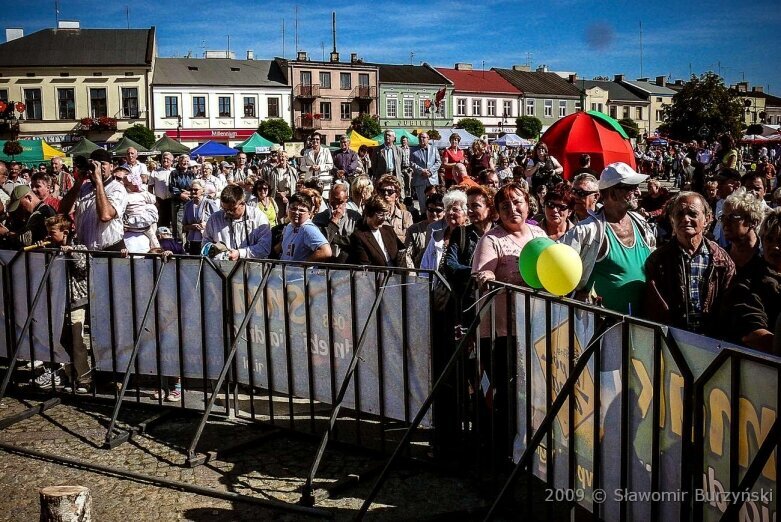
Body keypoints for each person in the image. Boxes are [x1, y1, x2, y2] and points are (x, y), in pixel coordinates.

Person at [559, 162, 655, 314]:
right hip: (607, 328)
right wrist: (576, 294)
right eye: (631, 187)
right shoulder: (586, 231)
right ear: (612, 193)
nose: (638, 192)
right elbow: (557, 264)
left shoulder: (641, 223)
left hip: (645, 323)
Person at [643, 192, 734, 336]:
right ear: (672, 220)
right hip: (671, 342)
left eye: (692, 214)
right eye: (679, 214)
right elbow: (654, 310)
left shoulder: (722, 260)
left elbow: (728, 308)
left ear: (707, 219)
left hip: (712, 345)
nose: (685, 219)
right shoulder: (657, 261)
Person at [32, 215, 91, 392]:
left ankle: (84, 379)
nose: (49, 236)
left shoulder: (78, 245)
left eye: (52, 233)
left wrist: (70, 252)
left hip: (75, 299)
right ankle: (68, 374)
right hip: (58, 299)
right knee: (61, 338)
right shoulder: (52, 248)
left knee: (77, 339)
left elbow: (83, 266)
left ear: (64, 232)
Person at [722, 208, 781, 353]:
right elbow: (752, 334)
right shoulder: (749, 280)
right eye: (769, 239)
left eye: (780, 240)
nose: (775, 246)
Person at [59, 149, 128, 252]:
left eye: (102, 164)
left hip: (110, 251)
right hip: (86, 251)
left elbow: (105, 215)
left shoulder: (117, 188)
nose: (99, 168)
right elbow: (63, 210)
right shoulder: (84, 187)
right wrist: (79, 181)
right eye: (95, 165)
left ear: (112, 167)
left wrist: (98, 180)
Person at [203, 184, 271, 260]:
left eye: (232, 209)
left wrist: (240, 253)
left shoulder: (259, 217)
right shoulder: (214, 219)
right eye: (224, 209)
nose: (228, 212)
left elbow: (264, 248)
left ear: (243, 203)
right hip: (221, 268)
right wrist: (216, 252)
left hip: (251, 269)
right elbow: (205, 244)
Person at [348, 195, 407, 267]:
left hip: (397, 275)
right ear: (369, 213)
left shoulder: (389, 230)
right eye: (381, 215)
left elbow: (402, 251)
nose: (384, 218)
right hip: (376, 276)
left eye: (386, 214)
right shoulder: (359, 236)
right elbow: (365, 266)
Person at [420, 189, 468, 271]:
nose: (450, 212)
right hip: (436, 283)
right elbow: (425, 266)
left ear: (466, 213)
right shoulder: (437, 236)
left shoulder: (470, 237)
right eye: (448, 209)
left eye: (455, 209)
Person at [312, 184, 360, 263]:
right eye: (333, 202)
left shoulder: (354, 218)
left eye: (340, 202)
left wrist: (334, 238)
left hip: (348, 265)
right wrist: (335, 220)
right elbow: (320, 242)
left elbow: (356, 242)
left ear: (346, 199)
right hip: (325, 265)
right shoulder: (319, 218)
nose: (336, 206)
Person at [721, 188, 765, 274]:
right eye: (723, 218)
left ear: (753, 222)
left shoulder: (766, 255)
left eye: (732, 217)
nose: (725, 223)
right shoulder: (720, 257)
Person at [280, 192, 332, 262]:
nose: (296, 213)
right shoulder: (289, 226)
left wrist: (303, 266)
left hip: (300, 272)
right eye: (293, 208)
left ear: (309, 213)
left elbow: (326, 251)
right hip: (285, 271)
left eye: (302, 210)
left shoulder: (308, 228)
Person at [121, 168, 159, 253]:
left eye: (127, 185)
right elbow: (153, 200)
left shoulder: (126, 196)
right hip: (140, 222)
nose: (125, 187)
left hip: (133, 223)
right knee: (152, 236)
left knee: (151, 232)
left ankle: (156, 248)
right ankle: (157, 248)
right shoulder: (143, 194)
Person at [405, 193, 445, 268]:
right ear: (426, 210)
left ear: (444, 212)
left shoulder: (449, 229)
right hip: (420, 272)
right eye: (431, 210)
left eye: (438, 210)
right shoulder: (414, 230)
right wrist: (413, 277)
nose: (434, 213)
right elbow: (407, 257)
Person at [182, 179, 219, 255]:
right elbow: (184, 226)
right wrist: (192, 226)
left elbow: (218, 221)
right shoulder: (188, 205)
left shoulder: (210, 203)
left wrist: (206, 225)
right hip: (192, 242)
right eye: (191, 190)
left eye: (196, 190)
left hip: (207, 241)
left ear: (203, 190)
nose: (193, 192)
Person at [375, 174, 413, 243]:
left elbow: (409, 241)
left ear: (397, 195)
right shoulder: (373, 215)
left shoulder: (406, 216)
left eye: (390, 192)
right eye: (382, 191)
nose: (386, 194)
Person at [410, 132, 442, 211]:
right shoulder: (413, 150)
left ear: (428, 138)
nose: (422, 139)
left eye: (424, 137)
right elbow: (411, 162)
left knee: (435, 202)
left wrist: (430, 171)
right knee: (422, 203)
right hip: (420, 179)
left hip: (432, 180)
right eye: (420, 137)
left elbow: (438, 162)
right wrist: (421, 171)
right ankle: (424, 219)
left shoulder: (434, 149)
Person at [711, 168, 742, 248]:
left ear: (737, 185)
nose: (718, 187)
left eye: (722, 183)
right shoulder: (719, 202)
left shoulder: (741, 207)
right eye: (718, 183)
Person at [169, 154, 195, 238]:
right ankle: (178, 245)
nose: (186, 163)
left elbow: (196, 186)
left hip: (190, 202)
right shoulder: (174, 173)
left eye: (187, 161)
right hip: (178, 202)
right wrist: (181, 194)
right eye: (184, 161)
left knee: (189, 223)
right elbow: (171, 187)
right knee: (178, 225)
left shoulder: (192, 173)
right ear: (179, 162)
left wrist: (189, 193)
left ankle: (188, 245)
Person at [268, 149, 299, 219]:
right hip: (277, 197)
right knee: (279, 217)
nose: (282, 158)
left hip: (290, 197)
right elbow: (270, 185)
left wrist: (286, 193)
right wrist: (280, 194)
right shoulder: (273, 171)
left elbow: (296, 185)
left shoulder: (293, 171)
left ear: (287, 158)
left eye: (283, 156)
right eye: (280, 157)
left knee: (290, 217)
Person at [371, 130, 404, 196]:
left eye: (389, 135)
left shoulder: (399, 150)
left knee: (395, 194)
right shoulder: (377, 150)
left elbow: (401, 164)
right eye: (385, 135)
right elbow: (373, 164)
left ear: (394, 138)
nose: (387, 137)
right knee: (382, 195)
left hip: (394, 175)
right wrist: (377, 175)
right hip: (382, 176)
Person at [149, 151, 175, 229]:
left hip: (172, 201)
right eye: (164, 158)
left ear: (172, 161)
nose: (165, 160)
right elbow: (150, 188)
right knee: (161, 223)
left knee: (173, 222)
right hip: (160, 201)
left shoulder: (175, 172)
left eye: (167, 159)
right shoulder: (155, 172)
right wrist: (154, 201)